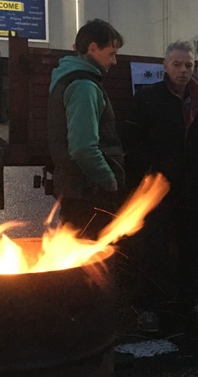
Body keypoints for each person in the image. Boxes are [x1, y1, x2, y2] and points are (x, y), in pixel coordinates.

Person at [125, 39, 198, 332]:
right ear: (164, 66)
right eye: (177, 64)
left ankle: (189, 303)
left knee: (191, 249)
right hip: (158, 190)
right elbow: (132, 141)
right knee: (153, 248)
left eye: (188, 65)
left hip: (192, 188)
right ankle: (147, 308)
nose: (183, 70)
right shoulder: (148, 98)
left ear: (195, 67)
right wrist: (149, 177)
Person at [48, 19, 126, 239]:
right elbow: (83, 149)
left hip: (75, 187)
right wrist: (108, 179)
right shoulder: (84, 86)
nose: (115, 61)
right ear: (92, 48)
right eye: (111, 53)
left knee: (74, 254)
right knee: (91, 260)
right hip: (89, 192)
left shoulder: (67, 76)